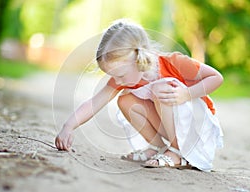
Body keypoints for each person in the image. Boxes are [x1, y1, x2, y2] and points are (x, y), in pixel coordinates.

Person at [55, 19, 224, 172]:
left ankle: (177, 152)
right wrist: (68, 126)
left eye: (120, 74)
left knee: (161, 88)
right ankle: (158, 147)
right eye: (112, 76)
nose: (116, 80)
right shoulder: (123, 79)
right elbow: (94, 102)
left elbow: (216, 77)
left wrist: (187, 93)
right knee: (125, 100)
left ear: (139, 59)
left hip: (196, 131)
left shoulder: (174, 63)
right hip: (175, 129)